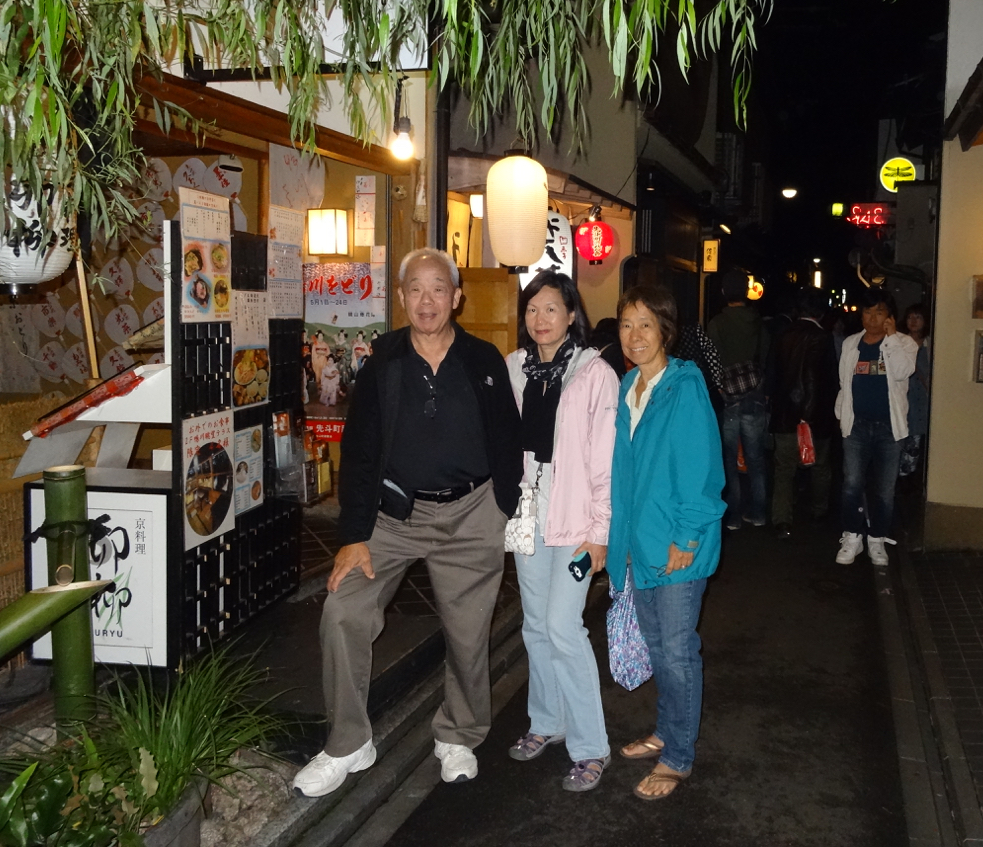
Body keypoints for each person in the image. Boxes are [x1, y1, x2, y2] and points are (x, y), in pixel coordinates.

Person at [293, 248, 522, 797]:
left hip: (471, 513)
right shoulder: (383, 361)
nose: (427, 300)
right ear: (401, 297)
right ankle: (349, 742)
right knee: (343, 611)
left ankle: (459, 733)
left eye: (438, 288)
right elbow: (360, 450)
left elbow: (507, 436)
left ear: (456, 297)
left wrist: (505, 508)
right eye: (415, 289)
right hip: (393, 517)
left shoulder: (483, 359)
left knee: (468, 633)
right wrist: (353, 535)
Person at [608, 285, 726, 801]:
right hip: (640, 542)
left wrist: (688, 535)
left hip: (677, 544)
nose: (634, 336)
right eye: (626, 324)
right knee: (657, 646)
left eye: (645, 325)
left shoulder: (685, 386)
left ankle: (678, 756)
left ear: (665, 332)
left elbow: (702, 469)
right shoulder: (628, 385)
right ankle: (665, 730)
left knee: (677, 651)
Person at [504, 272, 618, 792]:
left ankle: (591, 747)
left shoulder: (594, 374)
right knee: (534, 625)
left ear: (572, 314)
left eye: (551, 309)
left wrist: (600, 533)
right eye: (532, 309)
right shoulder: (514, 367)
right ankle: (547, 721)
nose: (540, 319)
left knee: (563, 627)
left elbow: (604, 462)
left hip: (577, 523)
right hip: (529, 515)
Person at [834, 288, 918, 567]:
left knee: (884, 489)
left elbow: (903, 372)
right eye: (867, 312)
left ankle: (877, 538)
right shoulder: (851, 343)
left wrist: (891, 339)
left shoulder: (904, 343)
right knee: (852, 484)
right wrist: (841, 416)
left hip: (889, 428)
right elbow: (844, 384)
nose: (872, 318)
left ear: (890, 316)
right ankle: (852, 536)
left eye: (879, 312)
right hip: (856, 425)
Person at [767, 287, 837, 539]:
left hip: (785, 415)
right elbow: (828, 380)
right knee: (820, 466)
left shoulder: (782, 335)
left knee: (784, 470)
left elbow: (772, 374)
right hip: (817, 415)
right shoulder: (823, 338)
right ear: (822, 312)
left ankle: (781, 521)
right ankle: (819, 511)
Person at [707, 268, 770, 529]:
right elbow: (764, 358)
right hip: (754, 393)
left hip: (728, 396)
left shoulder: (716, 323)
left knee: (729, 459)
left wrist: (721, 389)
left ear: (724, 292)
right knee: (756, 458)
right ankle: (759, 512)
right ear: (747, 292)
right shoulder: (759, 323)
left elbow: (713, 361)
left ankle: (732, 515)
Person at [899, 304, 931, 478]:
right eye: (910, 317)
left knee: (916, 442)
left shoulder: (931, 344)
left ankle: (911, 477)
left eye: (918, 317)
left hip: (921, 401)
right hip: (902, 398)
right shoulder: (898, 343)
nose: (913, 321)